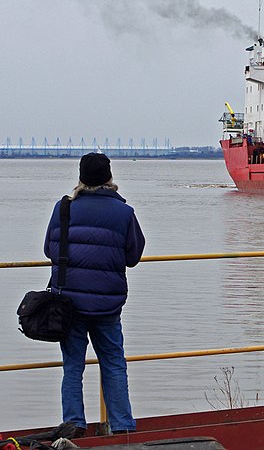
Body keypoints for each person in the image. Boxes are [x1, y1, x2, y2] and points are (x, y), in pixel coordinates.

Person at [44, 153, 145, 435]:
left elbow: (49, 250)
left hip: (69, 303)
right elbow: (133, 255)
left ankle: (74, 423)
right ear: (109, 177)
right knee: (113, 364)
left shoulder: (63, 209)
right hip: (107, 305)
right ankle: (123, 425)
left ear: (81, 177)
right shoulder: (124, 213)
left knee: (72, 367)